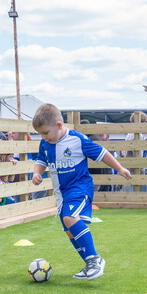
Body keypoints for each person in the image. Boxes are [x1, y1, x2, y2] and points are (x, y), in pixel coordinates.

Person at [31, 103, 131, 280]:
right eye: (41, 134)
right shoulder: (45, 143)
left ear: (59, 125)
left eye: (45, 133)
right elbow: (41, 160)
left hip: (79, 187)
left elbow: (102, 152)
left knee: (70, 218)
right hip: (61, 194)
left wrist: (120, 168)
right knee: (69, 230)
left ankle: (95, 260)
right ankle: (89, 264)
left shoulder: (77, 139)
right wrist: (36, 173)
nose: (43, 137)